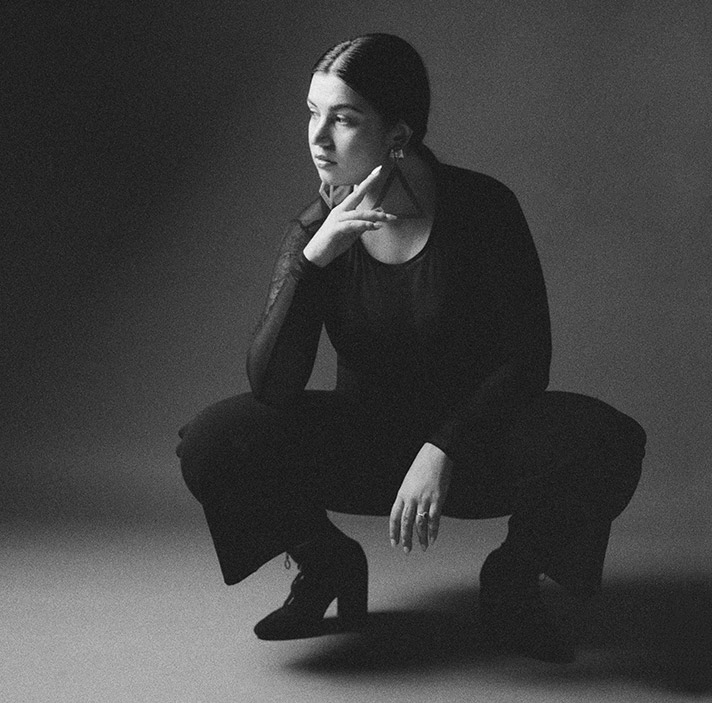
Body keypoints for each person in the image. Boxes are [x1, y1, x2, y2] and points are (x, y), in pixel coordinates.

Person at [176, 33, 646, 663]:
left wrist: (443, 448)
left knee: (606, 441)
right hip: (366, 449)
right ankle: (327, 562)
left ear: (396, 134)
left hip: (477, 451)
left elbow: (527, 359)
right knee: (213, 441)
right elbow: (271, 387)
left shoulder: (483, 208)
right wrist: (313, 263)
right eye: (312, 114)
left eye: (343, 119)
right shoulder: (315, 230)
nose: (318, 139)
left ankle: (511, 580)